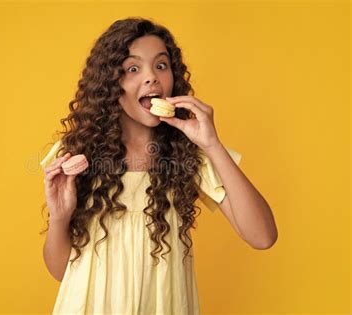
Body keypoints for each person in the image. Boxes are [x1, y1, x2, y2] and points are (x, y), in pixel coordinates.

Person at [40, 17, 278, 315]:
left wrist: (212, 144)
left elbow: (263, 236)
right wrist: (60, 218)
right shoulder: (75, 155)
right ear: (110, 83)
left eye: (161, 65)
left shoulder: (190, 154)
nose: (152, 77)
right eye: (133, 68)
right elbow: (63, 273)